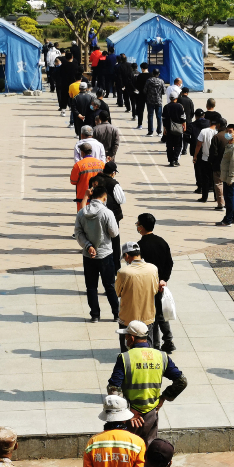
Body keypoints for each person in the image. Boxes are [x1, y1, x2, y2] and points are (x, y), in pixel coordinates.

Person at [107, 321, 187, 444]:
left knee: (131, 450)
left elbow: (113, 388)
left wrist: (128, 411)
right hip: (152, 413)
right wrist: (163, 398)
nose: (126, 339)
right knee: (149, 451)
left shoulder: (125, 358)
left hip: (131, 416)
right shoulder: (161, 356)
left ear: (132, 338)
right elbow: (181, 381)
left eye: (126, 336)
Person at [75, 185, 121, 323]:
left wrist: (88, 246)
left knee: (91, 286)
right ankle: (116, 313)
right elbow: (114, 233)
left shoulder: (82, 213)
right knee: (110, 285)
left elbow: (78, 233)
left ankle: (95, 314)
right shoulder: (107, 213)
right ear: (104, 197)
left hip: (88, 255)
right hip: (105, 254)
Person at [135, 214, 174, 353]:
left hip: (148, 286)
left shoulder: (140, 246)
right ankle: (168, 340)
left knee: (152, 316)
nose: (137, 226)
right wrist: (164, 279)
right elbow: (169, 262)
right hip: (160, 285)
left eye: (138, 224)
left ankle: (156, 344)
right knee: (160, 314)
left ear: (142, 227)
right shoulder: (162, 242)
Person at [115, 243, 159, 353]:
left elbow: (117, 292)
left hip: (127, 318)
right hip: (147, 316)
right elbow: (155, 290)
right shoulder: (153, 269)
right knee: (148, 349)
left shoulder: (123, 272)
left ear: (126, 255)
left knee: (127, 351)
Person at [216, 124, 234, 226]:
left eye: (230, 131)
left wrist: (230, 178)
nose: (228, 133)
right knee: (233, 197)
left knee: (229, 199)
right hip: (227, 176)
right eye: (227, 131)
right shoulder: (230, 145)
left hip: (230, 177)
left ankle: (228, 219)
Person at [70, 144, 105, 212]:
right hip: (99, 197)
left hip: (83, 198)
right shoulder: (101, 164)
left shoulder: (78, 165)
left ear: (82, 152)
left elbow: (73, 181)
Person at [193, 115, 218, 202]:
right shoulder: (218, 132)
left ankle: (204, 197)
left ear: (210, 122)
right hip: (216, 159)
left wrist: (195, 155)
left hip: (205, 158)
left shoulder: (204, 131)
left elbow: (199, 144)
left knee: (205, 179)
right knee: (216, 179)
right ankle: (216, 197)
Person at [162, 94, 185, 167]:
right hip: (178, 128)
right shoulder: (179, 106)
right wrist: (184, 126)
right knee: (178, 145)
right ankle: (175, 159)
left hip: (169, 128)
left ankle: (171, 160)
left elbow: (164, 119)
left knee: (169, 145)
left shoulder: (166, 107)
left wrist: (164, 129)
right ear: (176, 98)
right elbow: (182, 118)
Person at [143, 68, 165, 137]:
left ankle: (150, 131)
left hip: (150, 101)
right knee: (159, 117)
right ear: (158, 74)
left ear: (152, 73)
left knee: (150, 116)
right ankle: (159, 131)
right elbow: (164, 92)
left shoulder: (149, 81)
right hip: (158, 101)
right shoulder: (161, 81)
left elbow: (144, 90)